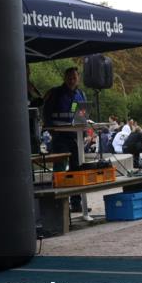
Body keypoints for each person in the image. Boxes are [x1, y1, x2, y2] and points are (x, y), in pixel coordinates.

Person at [42, 66, 87, 212]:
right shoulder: (55, 93)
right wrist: (51, 131)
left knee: (76, 168)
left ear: (78, 78)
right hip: (60, 136)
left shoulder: (81, 93)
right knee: (60, 168)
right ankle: (60, 203)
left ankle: (76, 202)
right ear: (65, 78)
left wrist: (84, 132)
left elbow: (82, 115)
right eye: (69, 77)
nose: (71, 80)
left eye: (74, 77)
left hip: (75, 136)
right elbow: (46, 113)